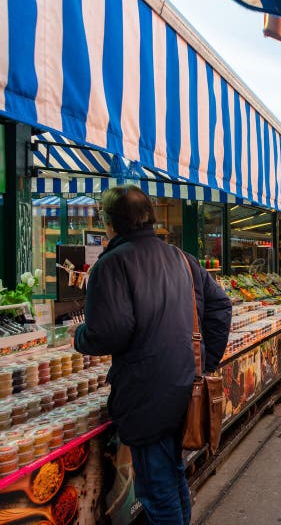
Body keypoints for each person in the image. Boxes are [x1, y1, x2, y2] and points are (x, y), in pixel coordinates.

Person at [73, 185, 232, 524]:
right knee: (174, 479)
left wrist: (80, 336)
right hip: (186, 387)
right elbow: (220, 305)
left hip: (147, 395)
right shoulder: (181, 258)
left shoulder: (110, 265)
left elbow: (108, 333)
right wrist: (206, 359)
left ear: (110, 222)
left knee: (158, 493)